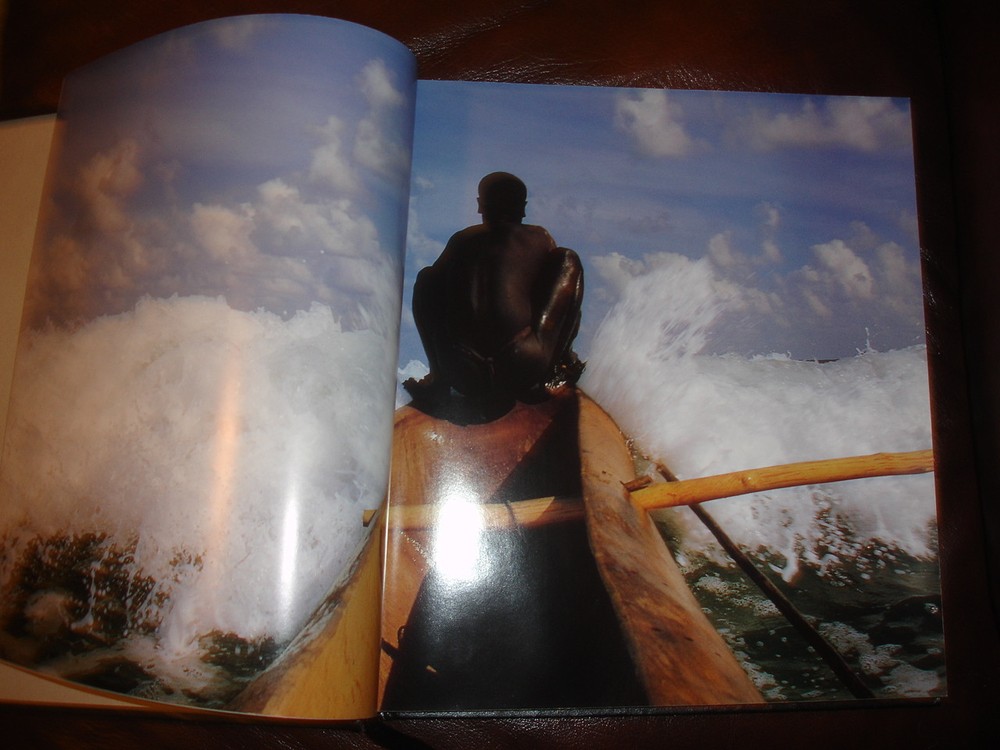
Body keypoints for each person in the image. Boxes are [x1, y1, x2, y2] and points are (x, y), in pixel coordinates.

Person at [405, 172, 584, 409]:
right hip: (521, 364)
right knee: (567, 259)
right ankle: (556, 368)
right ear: (522, 208)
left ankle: (438, 379)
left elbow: (432, 291)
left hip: (461, 367)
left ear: (480, 205)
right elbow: (560, 302)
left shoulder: (460, 240)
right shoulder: (539, 237)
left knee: (426, 278)